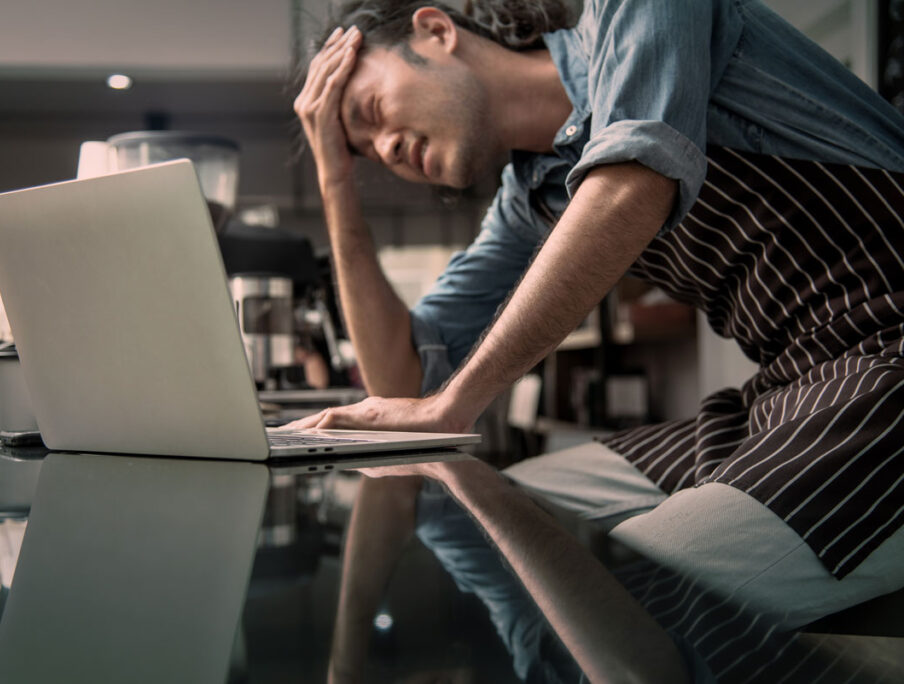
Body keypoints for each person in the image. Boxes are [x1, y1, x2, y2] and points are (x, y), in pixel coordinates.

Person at [291, 0, 904, 681]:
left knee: (622, 597)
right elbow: (404, 386)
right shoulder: (531, 200)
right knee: (503, 513)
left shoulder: (628, 12)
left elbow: (633, 179)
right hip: (790, 391)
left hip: (888, 365)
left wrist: (458, 400)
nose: (385, 151)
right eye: (367, 154)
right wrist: (334, 182)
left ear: (436, 32)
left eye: (371, 113)